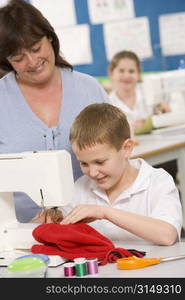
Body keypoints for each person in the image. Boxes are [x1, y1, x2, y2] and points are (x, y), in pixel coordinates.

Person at [0, 0, 108, 223]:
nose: (32, 62)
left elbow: (118, 161)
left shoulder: (89, 89)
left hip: (95, 226)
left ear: (49, 37)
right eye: (19, 58)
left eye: (36, 48)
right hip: (19, 235)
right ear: (7, 61)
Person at [59, 103, 182, 245]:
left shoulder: (157, 181)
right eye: (84, 163)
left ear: (127, 148)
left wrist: (105, 213)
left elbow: (167, 235)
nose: (92, 173)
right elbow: (61, 226)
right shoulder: (81, 187)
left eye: (100, 162)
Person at [108, 50, 185, 136]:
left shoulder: (149, 91)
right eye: (121, 71)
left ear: (138, 74)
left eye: (131, 71)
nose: (126, 76)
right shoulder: (108, 103)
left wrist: (165, 112)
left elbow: (174, 116)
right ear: (111, 73)